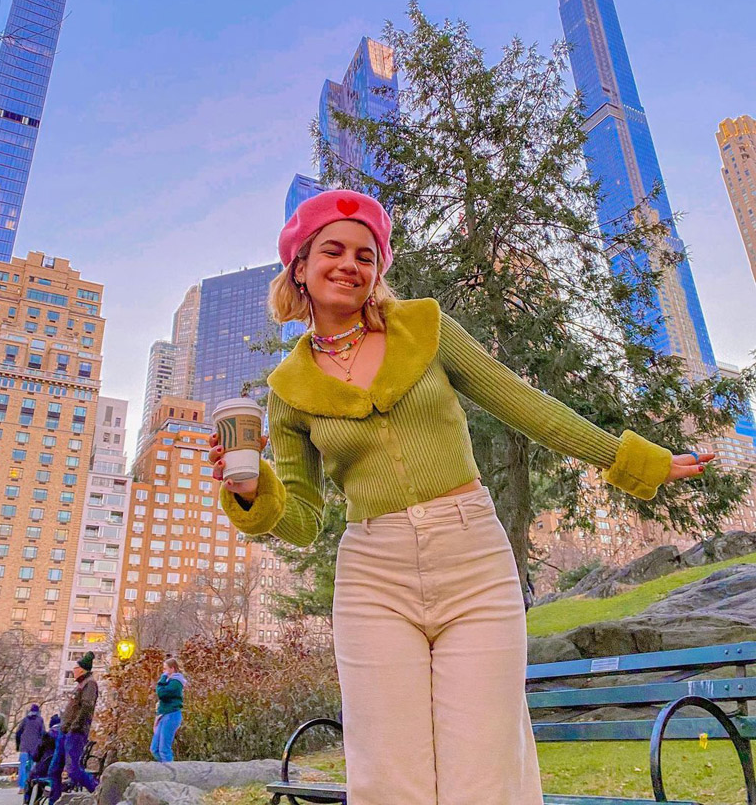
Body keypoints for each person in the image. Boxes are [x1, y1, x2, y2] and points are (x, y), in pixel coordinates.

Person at [208, 189, 711, 805]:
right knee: (388, 778)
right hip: (374, 575)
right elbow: (305, 519)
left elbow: (523, 403)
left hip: (472, 557)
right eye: (332, 251)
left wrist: (636, 461)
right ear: (300, 268)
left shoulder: (424, 327)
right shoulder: (288, 387)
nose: (350, 265)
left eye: (365, 255)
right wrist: (254, 490)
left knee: (483, 770)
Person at [48, 652, 98, 804]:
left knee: (73, 770)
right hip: (65, 731)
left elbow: (86, 707)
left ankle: (97, 790)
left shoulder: (90, 684)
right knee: (54, 770)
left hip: (75, 733)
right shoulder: (81, 685)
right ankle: (54, 800)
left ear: (81, 670)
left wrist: (74, 726)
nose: (73, 671)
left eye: (75, 668)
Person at [150, 657, 186, 762]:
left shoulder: (176, 682)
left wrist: (162, 678)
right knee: (154, 749)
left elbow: (161, 693)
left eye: (165, 669)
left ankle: (170, 768)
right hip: (163, 714)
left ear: (172, 669)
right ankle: (163, 767)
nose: (163, 671)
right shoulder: (169, 681)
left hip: (172, 714)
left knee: (164, 749)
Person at [24, 716, 59, 805]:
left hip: (45, 769)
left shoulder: (47, 736)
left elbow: (36, 756)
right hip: (60, 769)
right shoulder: (65, 736)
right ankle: (37, 800)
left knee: (32, 777)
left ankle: (27, 802)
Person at [15, 704, 44, 793]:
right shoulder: (40, 720)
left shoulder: (25, 720)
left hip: (24, 746)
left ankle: (22, 786)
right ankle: (29, 785)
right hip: (35, 748)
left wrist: (18, 745)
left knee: (22, 766)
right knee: (32, 767)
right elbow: (43, 733)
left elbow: (18, 733)